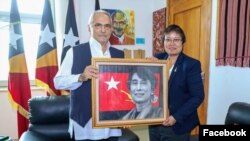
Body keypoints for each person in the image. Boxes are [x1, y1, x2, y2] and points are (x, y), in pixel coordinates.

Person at [54, 10, 124, 141]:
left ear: (111, 29)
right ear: (89, 28)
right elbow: (58, 82)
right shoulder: (74, 52)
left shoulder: (119, 55)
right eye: (98, 25)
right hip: (85, 127)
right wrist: (81, 77)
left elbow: (124, 87)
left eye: (107, 26)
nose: (103, 30)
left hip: (112, 126)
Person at [148, 24, 204, 141]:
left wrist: (176, 117)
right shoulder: (158, 59)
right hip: (155, 122)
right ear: (163, 42)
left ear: (183, 43)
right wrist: (147, 66)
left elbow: (198, 96)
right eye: (168, 39)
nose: (171, 44)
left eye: (176, 40)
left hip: (177, 125)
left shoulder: (191, 65)